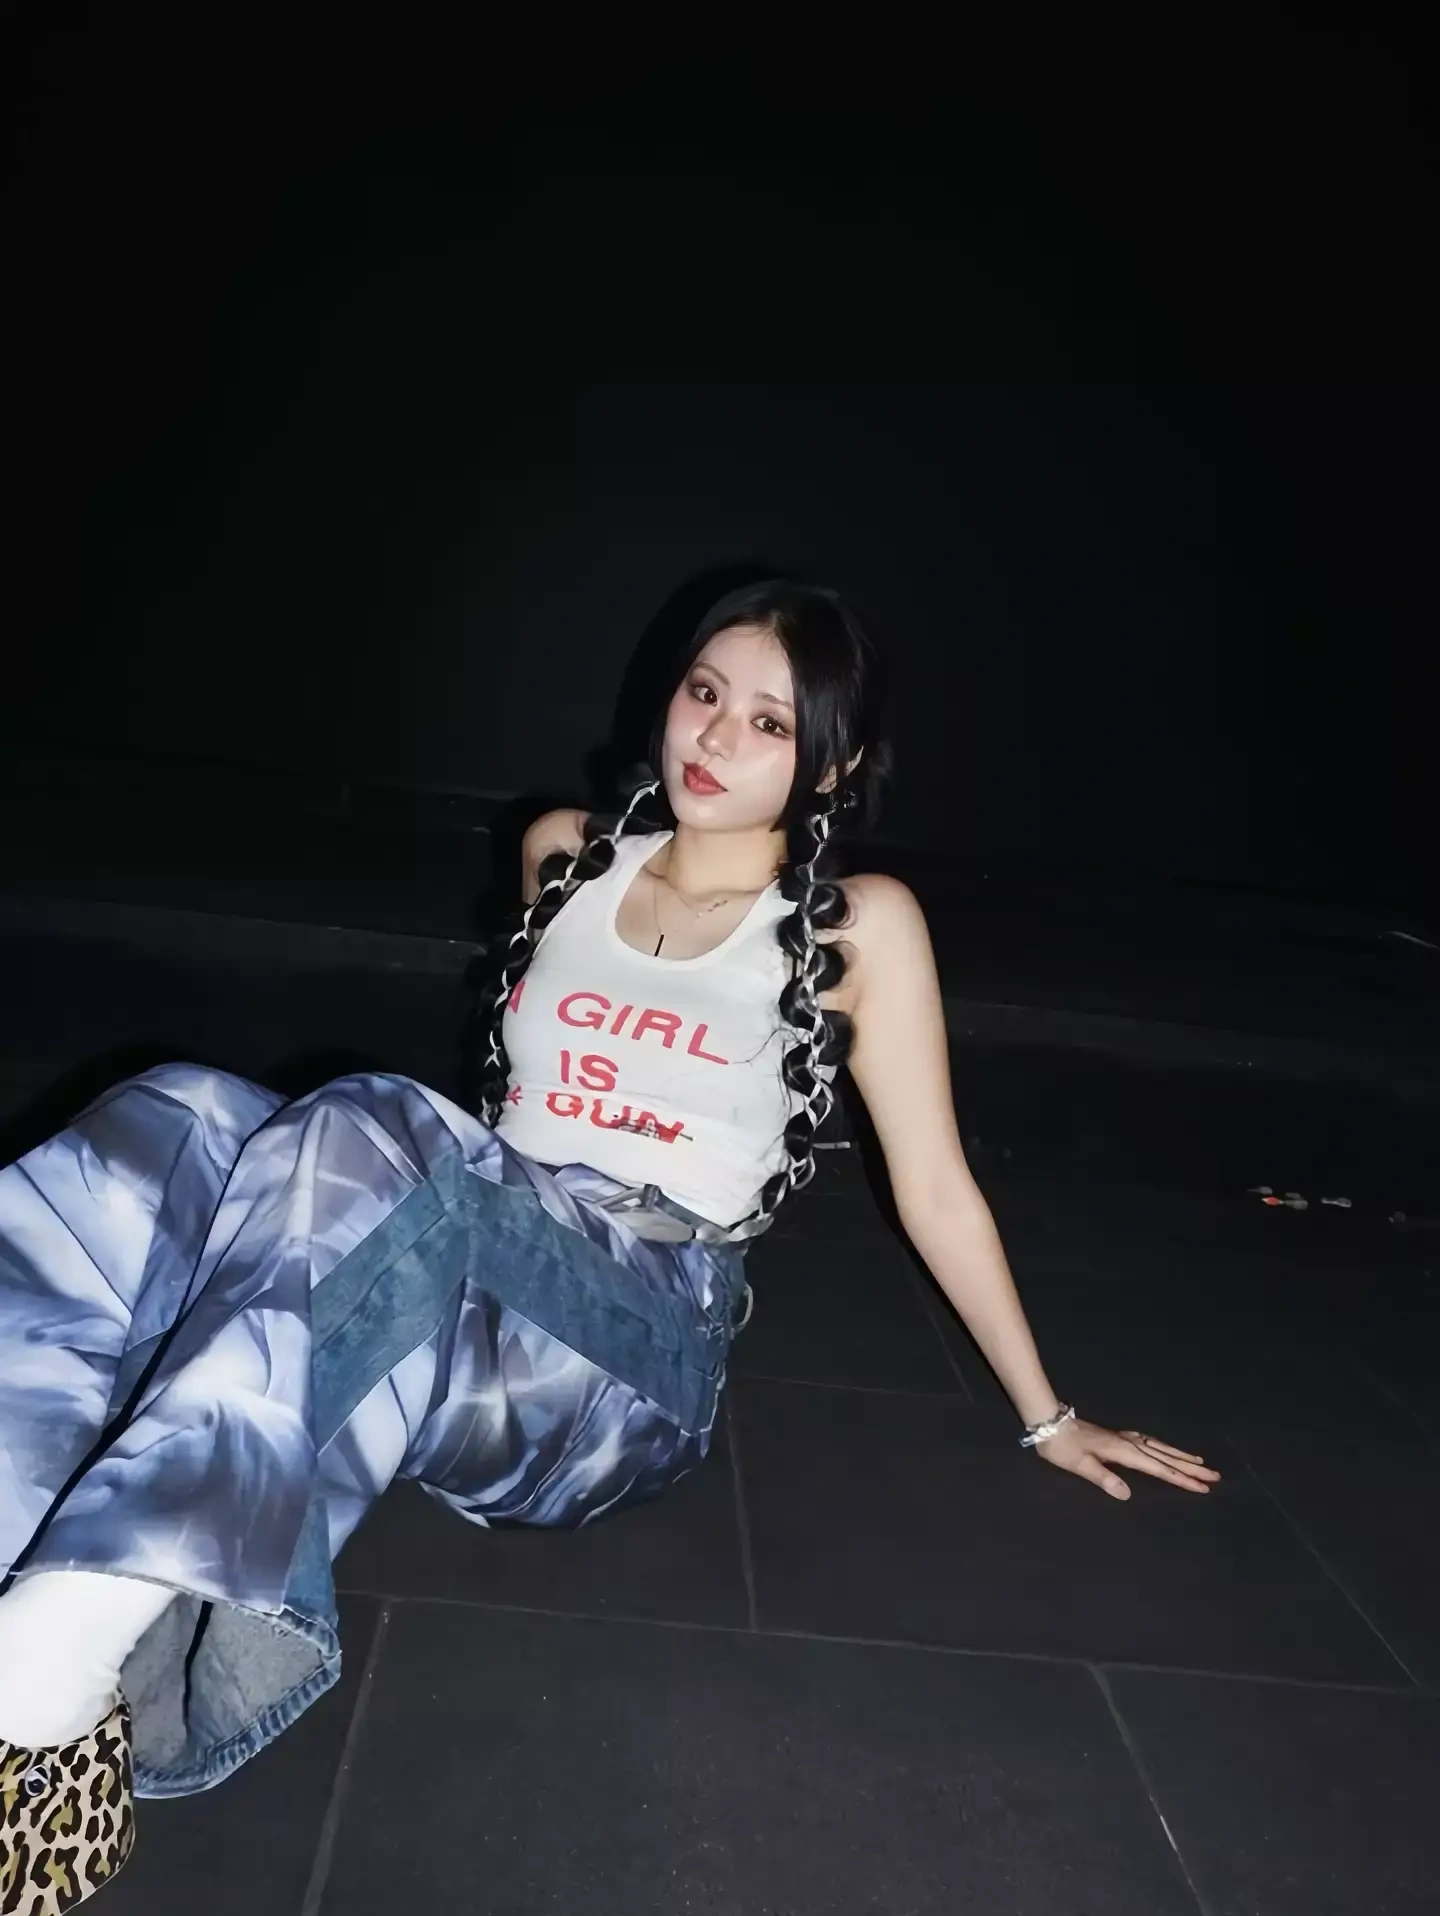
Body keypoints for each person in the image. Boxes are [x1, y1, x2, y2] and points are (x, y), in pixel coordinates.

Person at [0, 579, 1218, 1909]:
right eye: (706, 694)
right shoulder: (566, 853)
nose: (717, 737)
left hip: (632, 1355)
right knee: (178, 1112)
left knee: (373, 1123)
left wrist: (1049, 1417)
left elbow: (934, 1187)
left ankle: (45, 1679)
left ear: (832, 767)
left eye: (770, 723)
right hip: (479, 1299)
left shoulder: (858, 925)